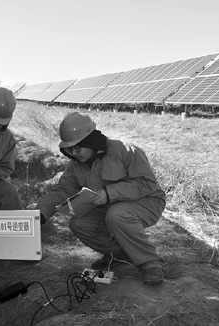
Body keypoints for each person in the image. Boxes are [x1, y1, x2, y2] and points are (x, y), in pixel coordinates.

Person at [36, 111, 166, 285]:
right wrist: (40, 214)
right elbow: (63, 190)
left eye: (78, 147)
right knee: (78, 223)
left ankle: (151, 264)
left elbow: (146, 184)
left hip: (148, 202)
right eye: (70, 149)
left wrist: (109, 193)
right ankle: (120, 256)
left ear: (90, 140)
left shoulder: (126, 150)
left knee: (116, 214)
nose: (74, 153)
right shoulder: (76, 165)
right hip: (112, 208)